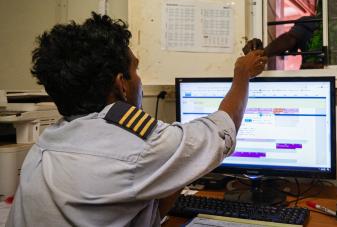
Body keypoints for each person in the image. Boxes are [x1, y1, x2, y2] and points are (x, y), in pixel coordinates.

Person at [6, 12, 267, 227]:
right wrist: (241, 74)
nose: (139, 80)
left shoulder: (45, 143)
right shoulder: (132, 143)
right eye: (136, 69)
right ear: (122, 84)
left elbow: (140, 201)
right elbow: (222, 128)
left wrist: (183, 164)